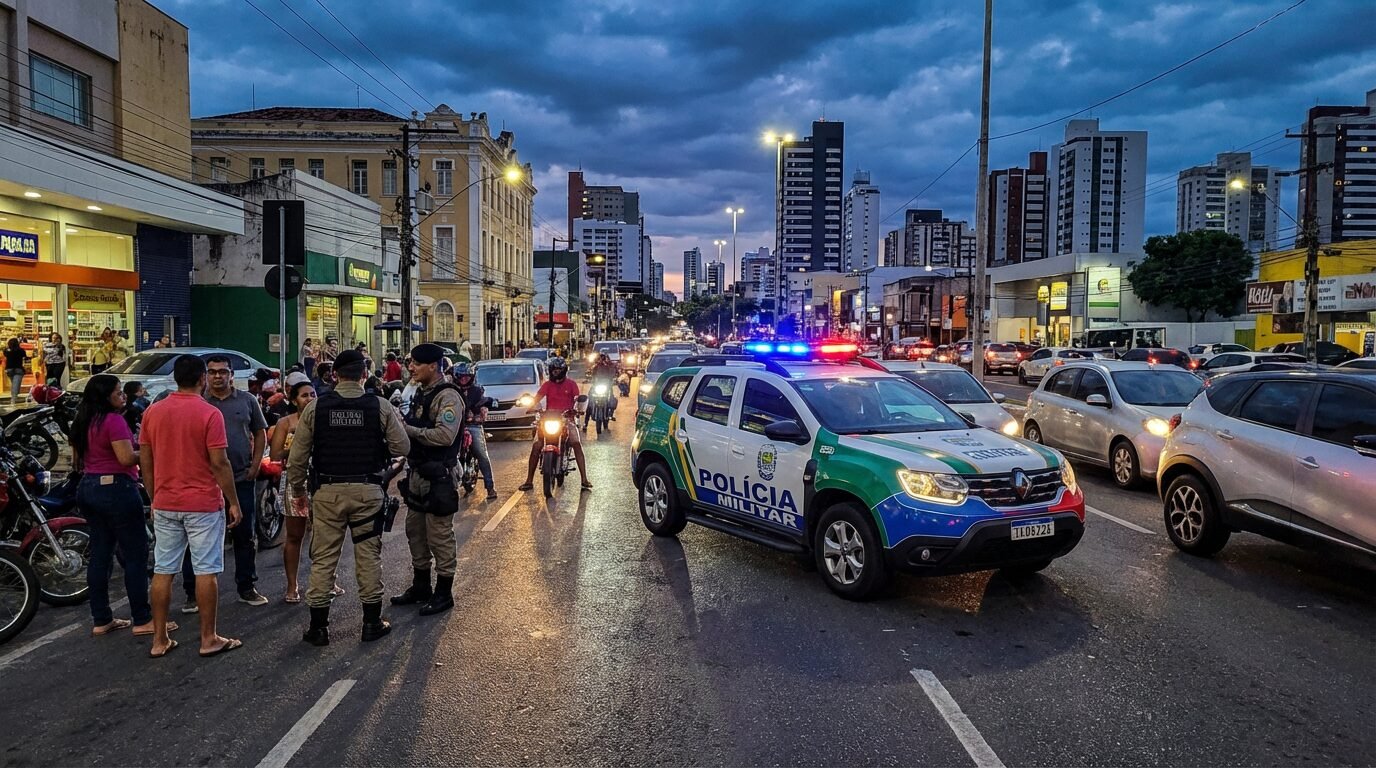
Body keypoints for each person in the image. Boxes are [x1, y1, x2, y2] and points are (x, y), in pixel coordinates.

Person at [288, 350, 409, 645]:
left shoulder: (316, 408)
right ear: (364, 375)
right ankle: (371, 623)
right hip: (368, 491)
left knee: (323, 560)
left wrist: (299, 492)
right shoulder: (378, 406)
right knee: (368, 557)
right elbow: (401, 446)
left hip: (327, 493)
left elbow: (298, 458)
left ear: (335, 376)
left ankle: (318, 628)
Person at [140, 354, 242, 658]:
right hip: (203, 503)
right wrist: (233, 501)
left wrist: (153, 494)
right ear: (203, 379)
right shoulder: (210, 414)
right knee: (206, 571)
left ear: (175, 379)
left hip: (166, 501)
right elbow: (220, 463)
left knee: (163, 570)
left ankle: (159, 640)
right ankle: (208, 638)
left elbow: (145, 458)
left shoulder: (153, 413)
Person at [73, 374, 164, 639]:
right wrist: (149, 451)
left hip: (88, 487)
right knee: (134, 554)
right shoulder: (113, 421)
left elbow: (79, 460)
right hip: (116, 489)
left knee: (101, 553)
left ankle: (101, 619)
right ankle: (142, 618)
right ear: (105, 396)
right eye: (117, 393)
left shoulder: (83, 421)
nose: (122, 396)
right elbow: (126, 458)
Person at [181, 354, 269, 610]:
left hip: (242, 478)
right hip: (204, 482)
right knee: (196, 541)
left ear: (232, 375)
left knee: (244, 536)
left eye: (222, 372)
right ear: (204, 376)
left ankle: (246, 586)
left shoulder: (247, 401)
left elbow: (259, 432)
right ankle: (192, 593)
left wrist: (255, 464)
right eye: (212, 372)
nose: (217, 376)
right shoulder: (197, 403)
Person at [392, 343, 465, 616]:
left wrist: (407, 429)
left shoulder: (448, 397)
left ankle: (443, 592)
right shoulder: (421, 393)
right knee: (416, 532)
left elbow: (445, 436)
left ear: (433, 366)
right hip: (419, 474)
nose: (410, 368)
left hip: (440, 477)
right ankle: (421, 586)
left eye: (416, 364)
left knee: (439, 536)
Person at [270, 379, 316, 604]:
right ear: (294, 400)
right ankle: (292, 585)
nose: (309, 399)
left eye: (312, 394)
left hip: (319, 481)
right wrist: (299, 445)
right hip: (295, 481)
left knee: (324, 535)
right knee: (295, 535)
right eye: (304, 395)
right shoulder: (286, 423)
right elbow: (276, 454)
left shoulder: (322, 419)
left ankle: (327, 579)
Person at [518, 357, 591, 492]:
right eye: (553, 370)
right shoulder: (547, 385)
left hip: (566, 419)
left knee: (576, 442)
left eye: (558, 370)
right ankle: (529, 480)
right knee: (536, 446)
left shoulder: (571, 384)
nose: (555, 373)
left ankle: (584, 479)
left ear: (563, 371)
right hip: (548, 419)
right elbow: (537, 398)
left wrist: (577, 409)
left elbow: (577, 399)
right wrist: (532, 406)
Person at [452, 363, 496, 500]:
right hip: (455, 426)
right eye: (461, 377)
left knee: (481, 454)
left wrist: (485, 406)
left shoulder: (477, 391)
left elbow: (484, 404)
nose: (464, 379)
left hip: (473, 425)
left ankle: (490, 487)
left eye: (467, 377)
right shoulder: (451, 390)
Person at [5, 338, 27, 404]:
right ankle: (13, 399)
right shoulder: (21, 350)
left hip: (9, 369)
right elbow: (24, 356)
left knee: (13, 383)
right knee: (16, 384)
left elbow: (5, 354)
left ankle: (14, 397)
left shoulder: (6, 351)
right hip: (18, 369)